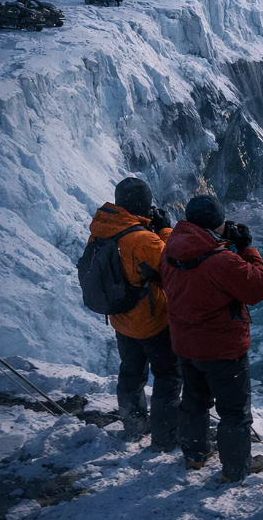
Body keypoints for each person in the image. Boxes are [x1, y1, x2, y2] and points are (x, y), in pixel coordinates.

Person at [160, 194, 263, 483]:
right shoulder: (220, 261)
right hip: (222, 349)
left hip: (186, 343)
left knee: (194, 401)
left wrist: (225, 245)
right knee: (234, 412)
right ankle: (235, 468)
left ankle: (195, 455)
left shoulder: (171, 247)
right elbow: (259, 288)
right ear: (217, 223)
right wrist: (247, 249)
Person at [83, 177, 180, 450]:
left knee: (130, 374)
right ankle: (164, 437)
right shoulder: (143, 240)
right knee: (168, 376)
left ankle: (134, 426)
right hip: (152, 322)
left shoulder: (100, 231)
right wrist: (164, 230)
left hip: (121, 320)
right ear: (144, 205)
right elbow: (171, 267)